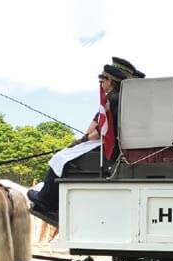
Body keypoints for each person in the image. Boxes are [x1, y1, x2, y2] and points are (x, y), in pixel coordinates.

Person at [28, 57, 144, 221]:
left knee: (61, 156)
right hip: (117, 146)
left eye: (103, 78)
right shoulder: (122, 98)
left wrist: (82, 140)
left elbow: (100, 130)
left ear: (110, 81)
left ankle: (46, 200)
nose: (101, 82)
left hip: (109, 147)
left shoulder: (111, 99)